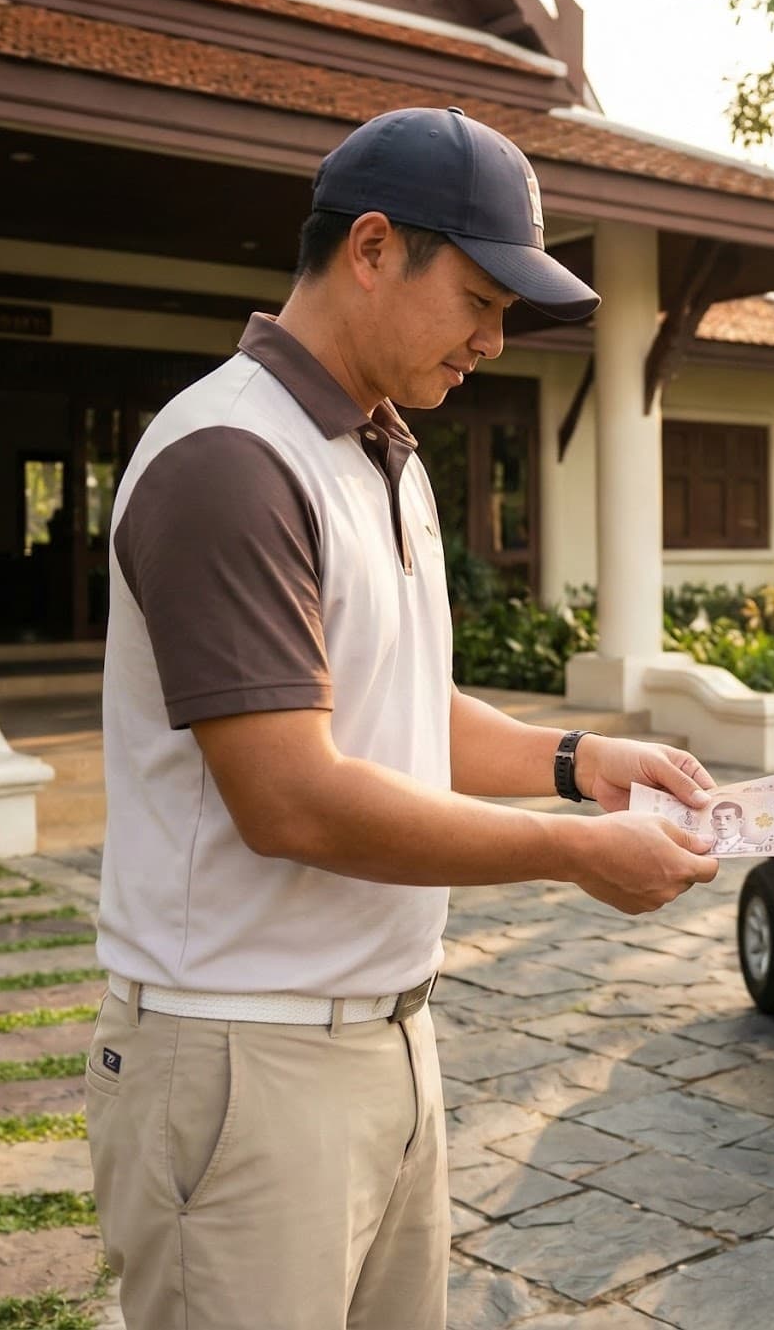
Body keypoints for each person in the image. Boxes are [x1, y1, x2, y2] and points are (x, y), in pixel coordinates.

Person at [85, 106, 720, 1330]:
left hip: (389, 1037)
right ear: (372, 248)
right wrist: (574, 853)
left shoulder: (384, 449)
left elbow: (393, 698)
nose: (494, 338)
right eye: (480, 299)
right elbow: (291, 793)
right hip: (242, 1054)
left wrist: (579, 760)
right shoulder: (230, 455)